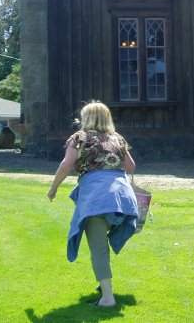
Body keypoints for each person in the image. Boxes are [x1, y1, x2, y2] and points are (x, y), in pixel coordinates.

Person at [48, 101, 138, 308]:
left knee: (98, 248)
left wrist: (53, 188)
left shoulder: (79, 137)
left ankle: (107, 298)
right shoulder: (118, 138)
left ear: (86, 118)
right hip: (123, 200)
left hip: (97, 199)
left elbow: (67, 164)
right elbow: (131, 167)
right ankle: (103, 282)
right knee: (105, 242)